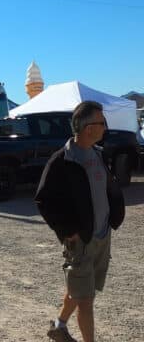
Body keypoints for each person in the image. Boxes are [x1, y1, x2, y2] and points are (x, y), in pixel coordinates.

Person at [35, 101, 125, 342]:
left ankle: (59, 325)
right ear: (88, 128)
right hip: (81, 241)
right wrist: (67, 231)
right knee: (85, 300)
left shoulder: (98, 154)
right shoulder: (62, 160)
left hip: (102, 236)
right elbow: (43, 201)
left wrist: (114, 216)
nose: (105, 128)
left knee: (81, 290)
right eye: (102, 123)